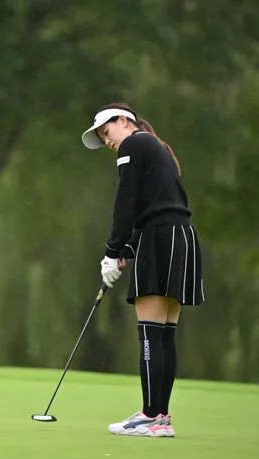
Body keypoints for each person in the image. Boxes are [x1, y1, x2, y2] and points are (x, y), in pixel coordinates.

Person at [81, 103, 204, 438]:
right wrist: (128, 250)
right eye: (102, 138)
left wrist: (111, 252)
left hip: (160, 238)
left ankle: (150, 416)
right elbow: (153, 205)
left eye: (106, 131)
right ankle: (160, 417)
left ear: (123, 121)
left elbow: (126, 203)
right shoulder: (156, 146)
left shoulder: (133, 144)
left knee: (150, 333)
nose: (107, 141)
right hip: (181, 237)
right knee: (163, 334)